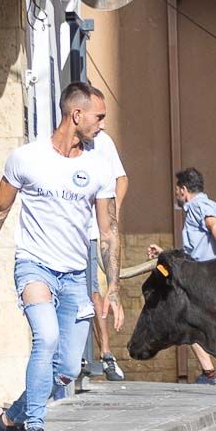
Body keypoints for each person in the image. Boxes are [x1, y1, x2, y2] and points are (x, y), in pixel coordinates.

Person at [0, 83, 122, 431]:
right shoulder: (26, 158)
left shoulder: (99, 165)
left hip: (76, 275)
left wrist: (112, 285)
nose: (102, 126)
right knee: (45, 339)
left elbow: (108, 230)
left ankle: (8, 421)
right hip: (35, 266)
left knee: (64, 370)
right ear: (76, 115)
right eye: (99, 117)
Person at [147, 168, 216, 387]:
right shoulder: (207, 205)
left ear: (183, 190)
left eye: (177, 190)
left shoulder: (196, 206)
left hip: (210, 276)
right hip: (211, 275)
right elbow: (196, 250)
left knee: (188, 323)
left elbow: (214, 226)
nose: (176, 194)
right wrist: (164, 253)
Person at [85, 131, 128, 382]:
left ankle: (106, 354)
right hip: (62, 235)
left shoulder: (102, 141)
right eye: (97, 116)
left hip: (91, 233)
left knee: (93, 293)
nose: (100, 123)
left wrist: (114, 214)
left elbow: (121, 179)